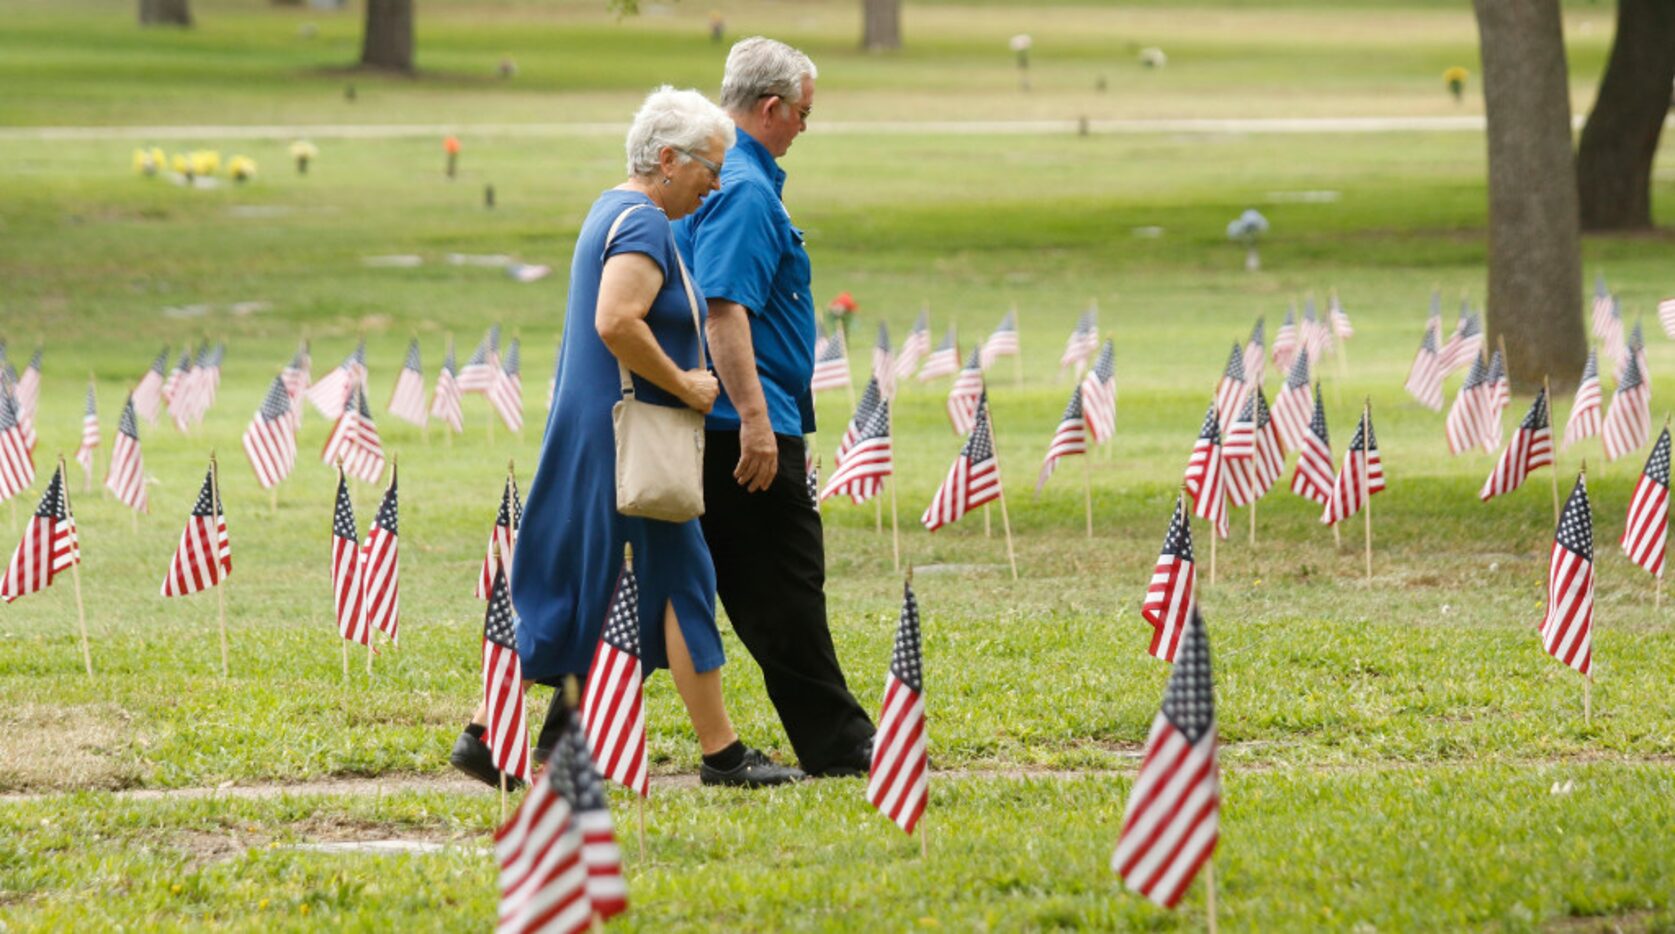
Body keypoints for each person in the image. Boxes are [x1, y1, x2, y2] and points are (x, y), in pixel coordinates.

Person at [450, 86, 802, 789]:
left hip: (594, 435)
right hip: (629, 441)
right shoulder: (642, 224)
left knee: (587, 585)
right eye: (709, 168)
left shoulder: (609, 209)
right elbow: (616, 321)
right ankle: (722, 754)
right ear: (667, 159)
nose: (714, 185)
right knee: (679, 584)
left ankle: (499, 736)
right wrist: (686, 382)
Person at [673, 38, 876, 778]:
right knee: (786, 587)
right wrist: (757, 422)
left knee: (655, 586)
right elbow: (725, 311)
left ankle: (548, 730)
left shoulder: (713, 175)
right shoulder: (746, 187)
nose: (803, 127)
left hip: (717, 421)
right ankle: (842, 743)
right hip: (740, 428)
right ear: (770, 108)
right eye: (802, 114)